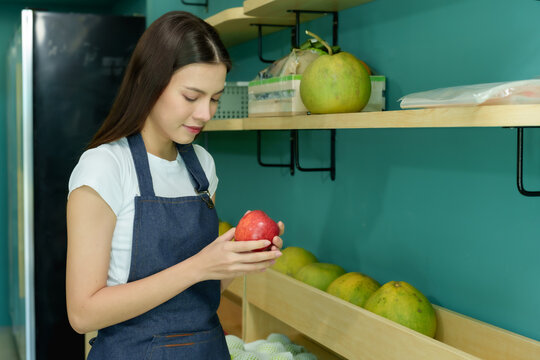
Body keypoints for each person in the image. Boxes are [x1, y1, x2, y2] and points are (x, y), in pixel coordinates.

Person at [65, 11, 284, 359]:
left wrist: (235, 260)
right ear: (149, 82)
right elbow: (82, 313)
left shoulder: (202, 166)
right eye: (191, 96)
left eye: (215, 98)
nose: (206, 114)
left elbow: (198, 293)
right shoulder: (105, 167)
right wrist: (199, 266)